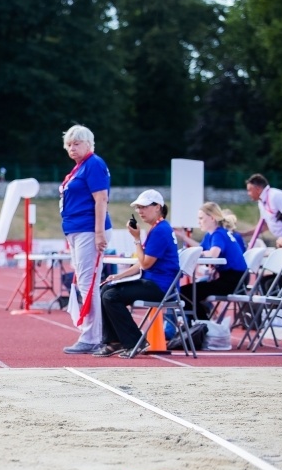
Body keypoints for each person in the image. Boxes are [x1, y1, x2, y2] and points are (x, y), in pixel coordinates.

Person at [95, 190, 180, 357]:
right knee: (106, 289)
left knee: (111, 295)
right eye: (138, 208)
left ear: (157, 207)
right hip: (154, 283)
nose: (140, 211)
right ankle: (114, 341)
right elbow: (143, 262)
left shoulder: (160, 230)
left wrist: (136, 239)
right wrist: (118, 277)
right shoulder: (158, 228)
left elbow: (146, 264)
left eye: (144, 207)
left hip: (160, 287)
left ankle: (134, 342)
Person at [59, 125, 113, 354]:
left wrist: (99, 232)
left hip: (89, 231)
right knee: (84, 281)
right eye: (69, 144)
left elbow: (101, 199)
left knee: (87, 283)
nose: (72, 148)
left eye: (77, 143)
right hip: (79, 230)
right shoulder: (80, 168)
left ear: (89, 144)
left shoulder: (93, 164)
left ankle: (92, 336)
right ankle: (94, 333)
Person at [174, 202, 247, 321]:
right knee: (188, 292)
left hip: (233, 280)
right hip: (236, 278)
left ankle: (203, 326)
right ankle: (201, 324)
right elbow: (201, 249)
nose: (198, 222)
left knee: (185, 293)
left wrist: (197, 253)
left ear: (212, 218)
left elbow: (213, 254)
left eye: (201, 218)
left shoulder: (218, 234)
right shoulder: (214, 233)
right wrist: (185, 238)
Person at [242, 174, 282, 246]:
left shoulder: (275, 196)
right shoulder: (261, 202)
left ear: (258, 189)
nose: (248, 194)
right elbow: (264, 226)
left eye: (249, 190)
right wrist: (243, 234)